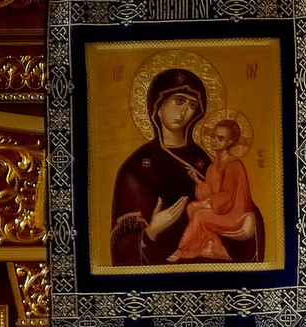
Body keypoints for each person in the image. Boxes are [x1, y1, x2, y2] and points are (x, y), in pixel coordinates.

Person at [110, 68, 263, 267]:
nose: (184, 112)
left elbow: (237, 205)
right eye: (179, 101)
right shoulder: (137, 167)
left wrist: (249, 222)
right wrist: (152, 231)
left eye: (192, 105)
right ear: (158, 105)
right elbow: (121, 247)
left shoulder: (204, 160)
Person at [172, 114, 256, 263]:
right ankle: (210, 244)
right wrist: (196, 180)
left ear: (230, 142)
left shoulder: (233, 165)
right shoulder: (212, 167)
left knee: (200, 215)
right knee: (191, 207)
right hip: (220, 210)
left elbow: (228, 196)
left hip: (235, 215)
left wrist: (208, 204)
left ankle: (183, 250)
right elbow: (209, 193)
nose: (214, 140)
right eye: (213, 136)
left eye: (220, 138)